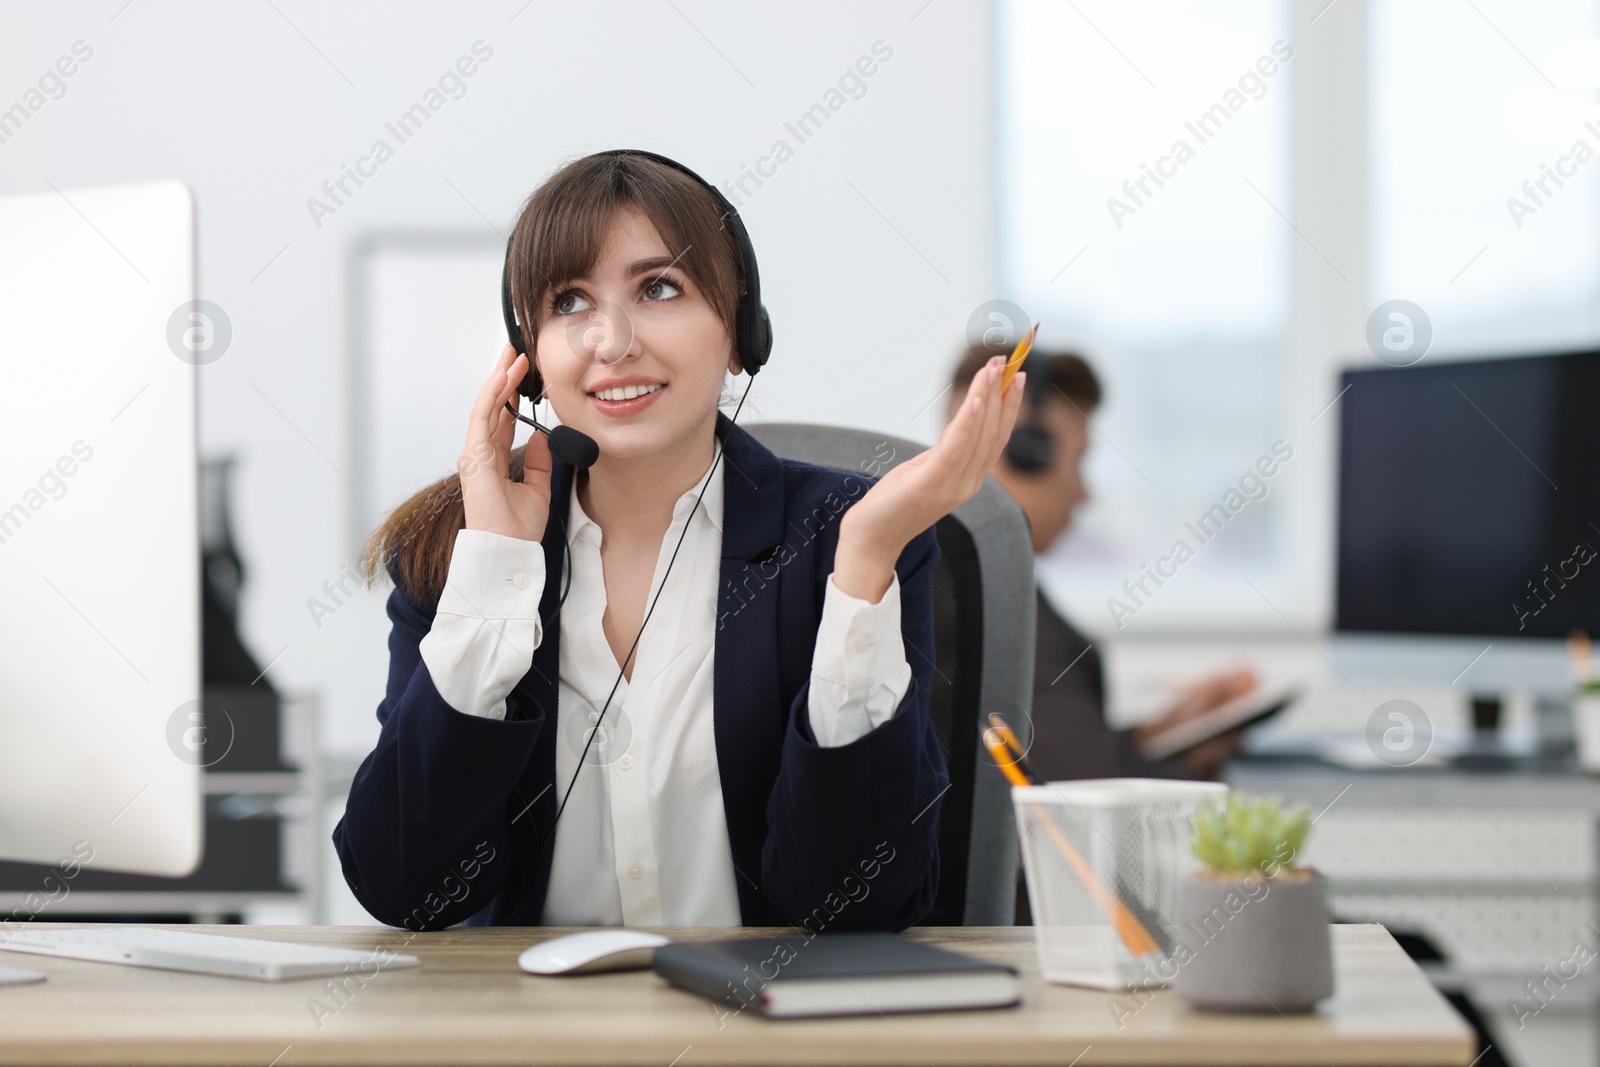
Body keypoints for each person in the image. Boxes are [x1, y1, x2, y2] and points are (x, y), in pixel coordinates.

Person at [332, 151, 1026, 933]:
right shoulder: (460, 545)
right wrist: (494, 575)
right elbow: (402, 885)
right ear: (527, 360)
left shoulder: (848, 539)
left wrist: (863, 565)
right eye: (569, 301)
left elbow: (858, 903)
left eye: (658, 288)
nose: (612, 340)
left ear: (739, 334)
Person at [942, 342, 1257, 784]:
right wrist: (1201, 764)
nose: (1084, 493)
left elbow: (1069, 754)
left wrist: (1175, 727)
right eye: (1078, 460)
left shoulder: (966, 576)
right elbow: (1092, 799)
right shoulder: (998, 605)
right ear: (1020, 451)